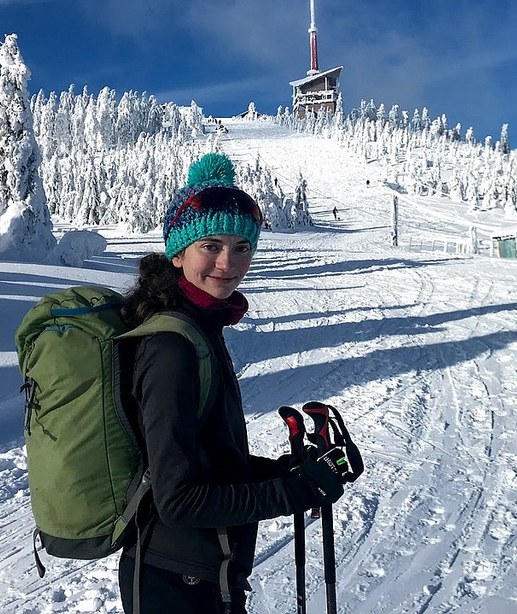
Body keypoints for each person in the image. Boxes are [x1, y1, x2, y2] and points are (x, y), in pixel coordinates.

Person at [117, 152, 349, 614]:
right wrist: (293, 493)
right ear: (178, 251)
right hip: (176, 583)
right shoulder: (172, 345)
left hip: (201, 571)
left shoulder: (200, 327)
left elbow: (207, 459)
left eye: (242, 247)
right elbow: (179, 500)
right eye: (211, 245)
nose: (228, 262)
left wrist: (287, 473)